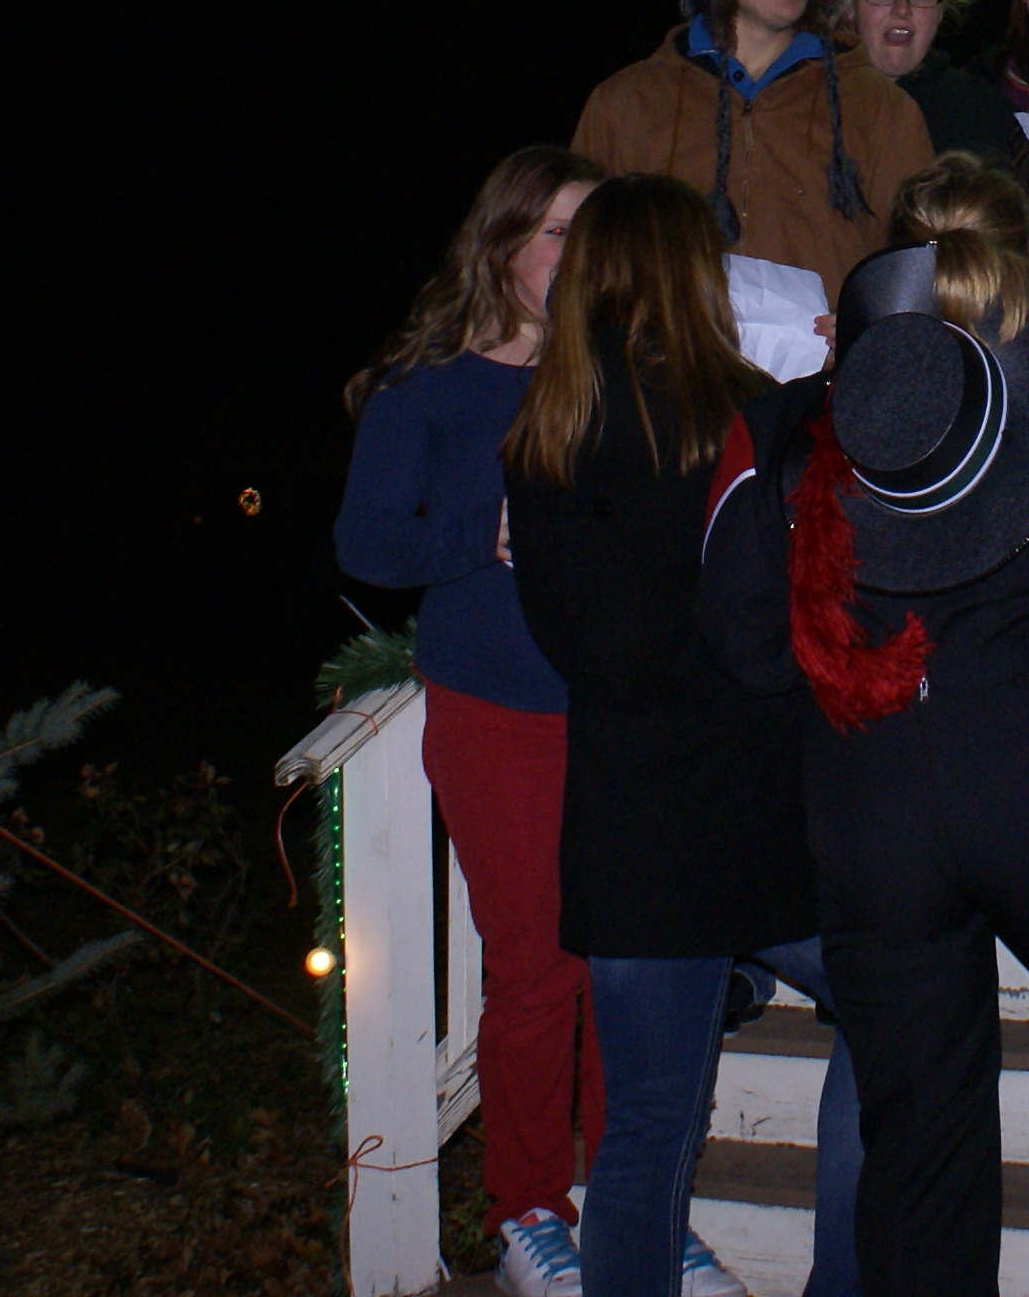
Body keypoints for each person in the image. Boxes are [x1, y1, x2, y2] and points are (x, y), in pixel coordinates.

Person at [700, 160, 1029, 1297]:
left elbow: (743, 646)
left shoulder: (779, 428)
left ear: (889, 262)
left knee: (920, 1111)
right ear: (1024, 264)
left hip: (866, 800)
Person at [505, 174, 862, 1297]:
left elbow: (577, 644)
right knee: (900, 1018)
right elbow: (800, 611)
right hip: (762, 809)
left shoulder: (542, 436)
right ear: (684, 272)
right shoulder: (748, 415)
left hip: (631, 821)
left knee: (645, 1129)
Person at [333, 146, 612, 1294]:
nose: (578, 255)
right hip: (497, 713)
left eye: (592, 234)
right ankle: (529, 1211)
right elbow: (365, 546)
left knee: (626, 959)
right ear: (501, 247)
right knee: (540, 965)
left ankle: (622, 1191)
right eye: (557, 232)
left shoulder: (620, 380)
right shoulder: (432, 393)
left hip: (616, 712)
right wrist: (479, 539)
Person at [576, 0, 935, 300]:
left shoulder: (878, 106)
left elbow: (920, 265)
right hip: (671, 369)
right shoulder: (628, 104)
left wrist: (862, 328)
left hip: (826, 370)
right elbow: (582, 263)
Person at [846, 0, 1015, 159]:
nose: (902, 10)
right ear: (850, 7)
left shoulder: (984, 112)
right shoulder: (811, 103)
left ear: (942, 10)